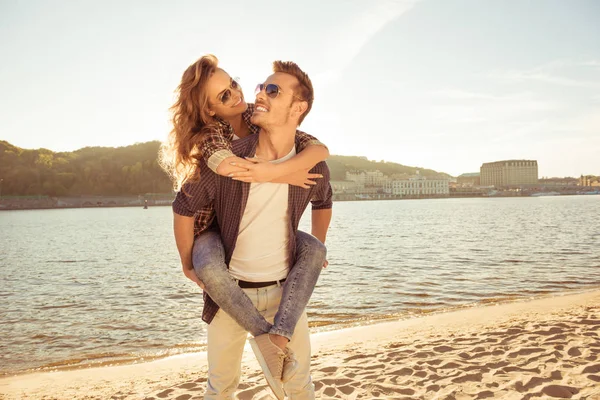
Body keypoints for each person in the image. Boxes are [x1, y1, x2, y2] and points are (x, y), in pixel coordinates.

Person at [163, 57, 332, 399]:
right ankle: (263, 336)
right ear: (210, 109)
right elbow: (184, 206)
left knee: (299, 386)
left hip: (285, 294)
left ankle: (276, 337)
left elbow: (324, 199)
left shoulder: (310, 161)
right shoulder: (223, 151)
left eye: (271, 89)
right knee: (221, 387)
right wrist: (187, 264)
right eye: (261, 87)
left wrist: (311, 246)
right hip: (230, 294)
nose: (254, 95)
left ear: (297, 107)